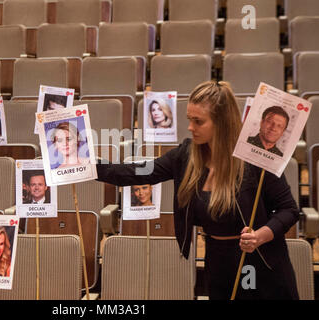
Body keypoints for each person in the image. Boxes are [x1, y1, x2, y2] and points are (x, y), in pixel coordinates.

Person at [96, 81, 299, 300]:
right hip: (217, 262)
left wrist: (260, 236)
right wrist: (86, 167)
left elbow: (289, 210)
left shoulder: (255, 156)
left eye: (198, 121)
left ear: (221, 123)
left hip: (260, 263)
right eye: (189, 120)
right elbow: (137, 172)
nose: (191, 127)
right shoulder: (186, 154)